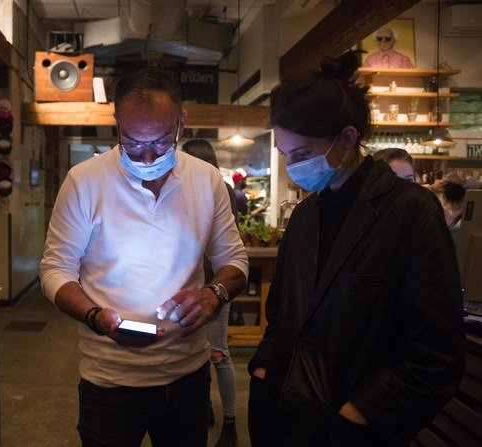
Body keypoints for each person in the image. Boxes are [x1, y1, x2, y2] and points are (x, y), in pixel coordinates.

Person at [248, 52, 464, 447]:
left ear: (347, 138)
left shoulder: (410, 211)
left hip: (350, 427)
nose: (293, 167)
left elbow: (436, 349)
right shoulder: (306, 215)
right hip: (284, 414)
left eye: (302, 154)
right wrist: (264, 368)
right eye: (285, 155)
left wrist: (362, 413)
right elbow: (281, 315)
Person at [39, 67, 249, 447]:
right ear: (116, 123)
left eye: (161, 142)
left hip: (189, 376)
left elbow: (235, 263)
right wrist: (94, 316)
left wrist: (212, 295)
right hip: (110, 383)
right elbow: (55, 269)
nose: (148, 155)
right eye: (133, 142)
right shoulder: (84, 181)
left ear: (182, 123)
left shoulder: (207, 181)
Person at [181, 139, 238, 447]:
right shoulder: (187, 187)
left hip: (214, 286)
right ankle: (208, 411)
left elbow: (227, 249)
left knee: (218, 353)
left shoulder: (219, 188)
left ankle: (230, 423)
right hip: (192, 287)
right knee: (199, 354)